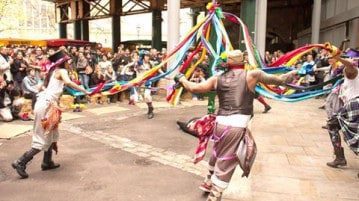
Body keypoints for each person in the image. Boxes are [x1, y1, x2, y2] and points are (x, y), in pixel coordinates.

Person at [175, 49, 297, 200]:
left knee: (217, 152)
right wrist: (295, 73)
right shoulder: (253, 75)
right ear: (243, 61)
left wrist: (181, 79)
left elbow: (194, 88)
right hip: (236, 126)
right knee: (227, 160)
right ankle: (214, 195)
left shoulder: (217, 78)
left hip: (219, 125)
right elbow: (280, 80)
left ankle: (208, 181)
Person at [11, 50, 91, 179]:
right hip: (47, 105)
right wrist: (84, 90)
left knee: (51, 132)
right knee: (42, 136)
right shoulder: (62, 71)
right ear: (63, 62)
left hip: (47, 104)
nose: (69, 63)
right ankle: (20, 162)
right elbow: (68, 82)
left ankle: (47, 162)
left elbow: (40, 87)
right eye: (68, 61)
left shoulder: (51, 72)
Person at [325, 54, 359, 178]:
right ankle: (339, 157)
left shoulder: (352, 72)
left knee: (332, 125)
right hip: (353, 106)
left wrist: (338, 57)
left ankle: (339, 158)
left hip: (355, 105)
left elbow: (350, 66)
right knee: (332, 124)